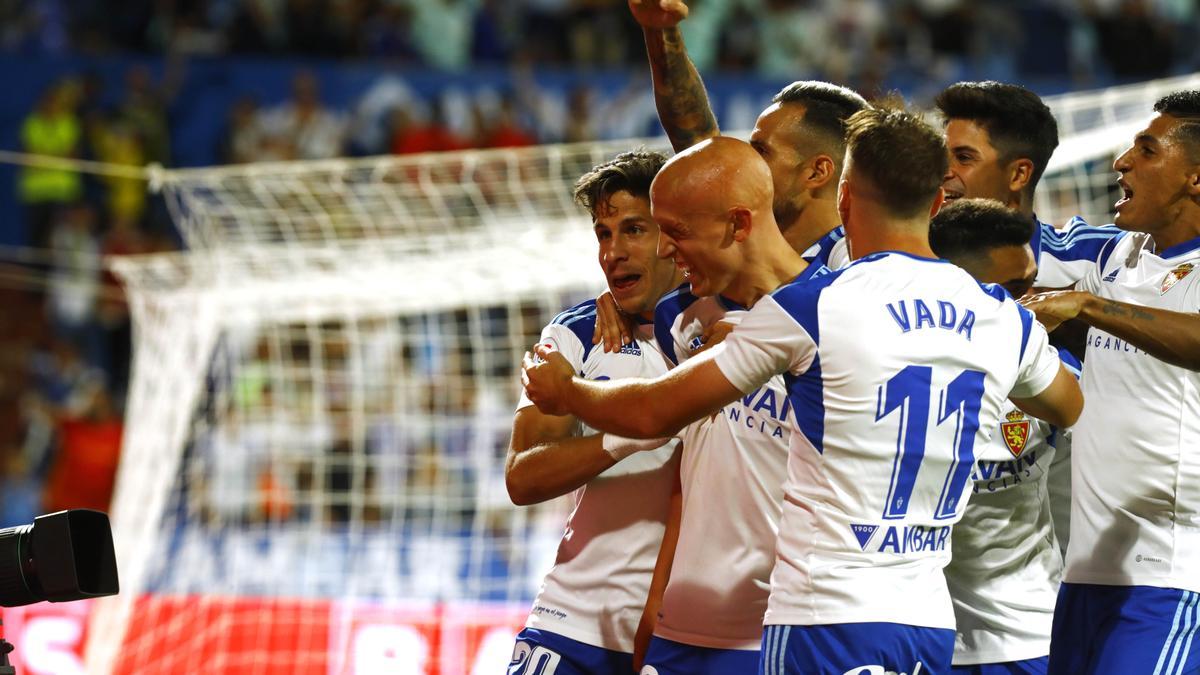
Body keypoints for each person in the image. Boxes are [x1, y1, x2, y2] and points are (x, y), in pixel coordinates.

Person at [524, 107, 1083, 673]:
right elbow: (1067, 403)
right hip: (927, 618)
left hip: (826, 611)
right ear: (937, 202)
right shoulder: (999, 317)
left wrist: (565, 391)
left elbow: (653, 413)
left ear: (843, 199)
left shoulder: (814, 307)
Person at [1021, 91, 1200, 675]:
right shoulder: (1116, 256)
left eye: (1146, 150)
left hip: (1172, 574)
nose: (1121, 161)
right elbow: (1002, 242)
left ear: (1195, 179)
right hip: (1086, 572)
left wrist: (1091, 309)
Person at [633, 136, 808, 673]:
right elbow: (690, 477)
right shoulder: (679, 320)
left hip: (782, 630)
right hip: (682, 628)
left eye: (676, 232)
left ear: (737, 224)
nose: (665, 250)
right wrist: (655, 601)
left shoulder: (832, 316)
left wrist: (564, 391)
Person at [505, 150, 684, 675]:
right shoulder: (576, 333)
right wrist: (629, 434)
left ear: (673, 234)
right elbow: (521, 477)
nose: (614, 252)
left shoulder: (732, 327)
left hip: (694, 631)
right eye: (603, 234)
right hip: (575, 622)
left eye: (633, 230)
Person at [930, 198, 1081, 674]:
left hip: (1031, 638)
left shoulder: (1059, 381)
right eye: (1013, 290)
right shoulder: (890, 374)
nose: (1030, 305)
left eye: (1032, 286)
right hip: (921, 631)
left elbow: (1067, 503)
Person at [935, 80, 1124, 291]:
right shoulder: (903, 260)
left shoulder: (1104, 257)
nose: (943, 171)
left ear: (1018, 174)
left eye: (963, 157)